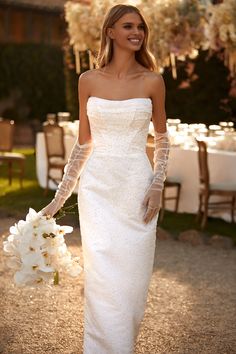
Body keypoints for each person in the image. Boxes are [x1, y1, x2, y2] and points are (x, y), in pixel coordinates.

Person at [41, 4, 170, 354]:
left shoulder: (152, 81)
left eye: (141, 27)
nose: (137, 32)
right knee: (101, 279)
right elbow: (84, 144)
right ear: (110, 31)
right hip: (97, 189)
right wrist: (59, 197)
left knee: (131, 282)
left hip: (136, 187)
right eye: (128, 25)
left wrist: (157, 184)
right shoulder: (88, 80)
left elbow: (161, 140)